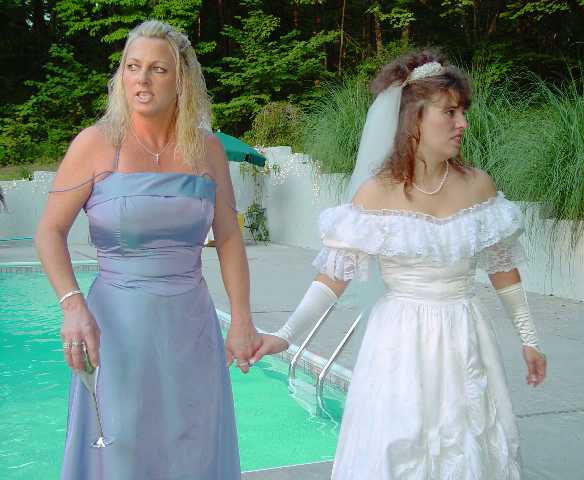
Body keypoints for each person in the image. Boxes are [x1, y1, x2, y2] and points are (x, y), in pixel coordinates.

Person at [252, 49, 547, 479]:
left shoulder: (478, 186)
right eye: (450, 112)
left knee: (468, 444)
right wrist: (284, 336)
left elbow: (503, 270)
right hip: (399, 342)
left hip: (464, 335)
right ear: (414, 120)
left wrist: (530, 339)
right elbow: (334, 276)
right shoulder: (376, 193)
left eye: (463, 112)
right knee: (399, 447)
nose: (462, 123)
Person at [35, 20, 259, 479]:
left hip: (191, 327)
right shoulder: (95, 144)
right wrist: (72, 305)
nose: (142, 79)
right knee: (122, 449)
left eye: (158, 69)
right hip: (116, 328)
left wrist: (241, 319)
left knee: (192, 448)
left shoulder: (208, 150)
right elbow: (49, 232)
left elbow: (228, 238)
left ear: (181, 80)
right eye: (132, 67)